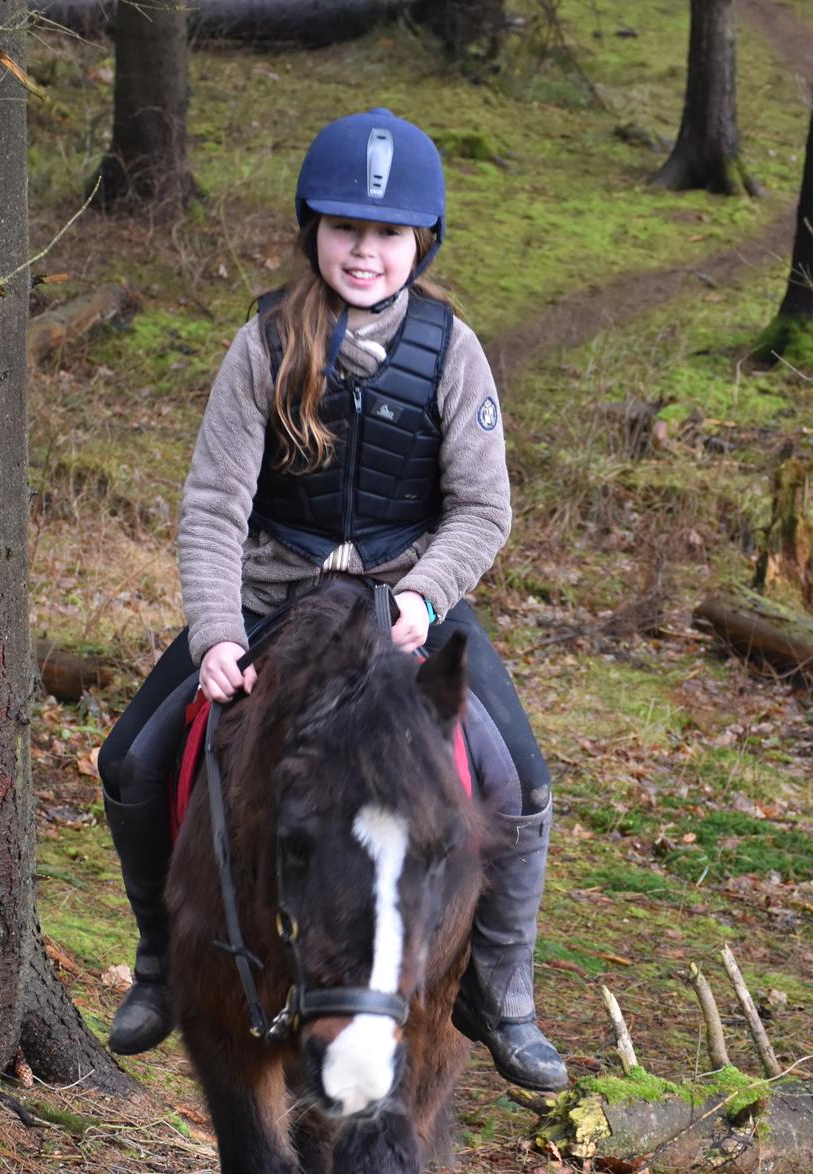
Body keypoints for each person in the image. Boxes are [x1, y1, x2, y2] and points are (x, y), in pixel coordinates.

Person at [97, 108, 568, 1095]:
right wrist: (218, 631)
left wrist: (424, 599)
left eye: (387, 233)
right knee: (132, 764)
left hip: (410, 607)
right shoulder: (263, 343)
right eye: (347, 228)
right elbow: (214, 505)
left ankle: (500, 992)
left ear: (419, 243)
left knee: (518, 780)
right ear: (312, 229)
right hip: (274, 594)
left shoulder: (454, 352)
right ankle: (158, 964)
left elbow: (483, 510)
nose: (365, 250)